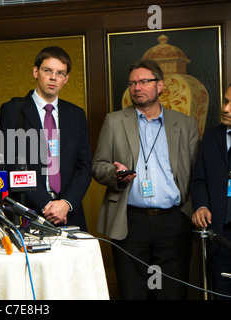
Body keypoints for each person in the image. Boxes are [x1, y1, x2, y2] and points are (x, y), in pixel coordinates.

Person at [92, 59, 199, 299]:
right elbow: (98, 166)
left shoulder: (185, 124)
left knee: (171, 292)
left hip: (174, 220)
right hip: (130, 221)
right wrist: (115, 175)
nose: (136, 87)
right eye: (132, 83)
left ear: (160, 86)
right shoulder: (114, 121)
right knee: (133, 292)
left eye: (143, 82)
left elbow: (196, 173)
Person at [0, 46, 92, 230]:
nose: (53, 77)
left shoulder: (76, 114)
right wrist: (46, 205)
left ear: (66, 79)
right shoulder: (12, 110)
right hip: (29, 211)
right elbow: (8, 164)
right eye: (47, 70)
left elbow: (85, 166)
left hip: (69, 214)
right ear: (36, 72)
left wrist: (65, 203)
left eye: (60, 73)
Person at [191, 84, 231, 299]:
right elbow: (198, 181)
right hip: (220, 237)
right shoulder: (211, 137)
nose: (226, 109)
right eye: (225, 101)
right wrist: (201, 205)